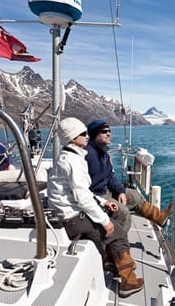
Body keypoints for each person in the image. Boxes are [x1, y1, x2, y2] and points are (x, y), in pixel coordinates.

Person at [47, 117, 144, 298]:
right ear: (73, 138)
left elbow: (81, 193)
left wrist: (103, 202)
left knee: (112, 224)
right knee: (118, 233)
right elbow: (82, 198)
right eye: (83, 134)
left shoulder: (69, 157)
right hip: (73, 218)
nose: (86, 136)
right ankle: (128, 283)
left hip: (70, 212)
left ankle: (109, 262)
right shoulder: (74, 162)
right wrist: (105, 221)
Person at [85, 119, 174, 234]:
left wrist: (121, 191)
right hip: (96, 196)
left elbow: (110, 177)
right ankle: (117, 246)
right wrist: (101, 200)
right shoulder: (86, 155)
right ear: (94, 135)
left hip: (105, 190)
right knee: (123, 213)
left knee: (134, 195)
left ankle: (160, 217)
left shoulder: (104, 155)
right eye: (104, 131)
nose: (108, 134)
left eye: (109, 131)